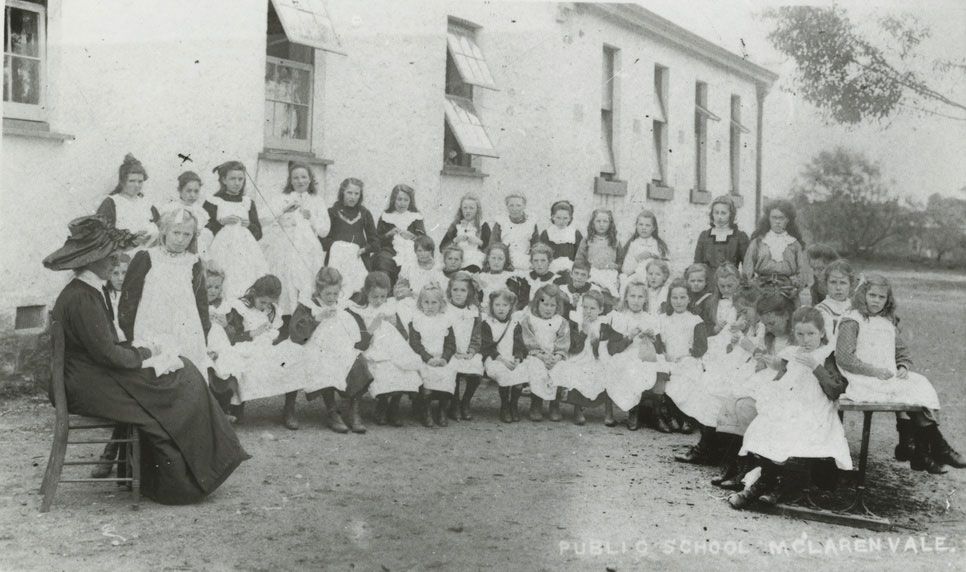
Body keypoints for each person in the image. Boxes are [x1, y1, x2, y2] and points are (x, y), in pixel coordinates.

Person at [43, 215, 248, 505]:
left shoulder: (86, 290)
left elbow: (104, 348)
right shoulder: (82, 297)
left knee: (182, 372)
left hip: (89, 374)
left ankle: (190, 469)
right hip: (87, 382)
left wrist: (140, 351)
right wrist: (146, 353)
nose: (114, 263)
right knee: (180, 380)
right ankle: (181, 480)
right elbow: (109, 354)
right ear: (91, 261)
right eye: (107, 258)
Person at [836, 274, 965, 473]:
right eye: (872, 295)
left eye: (881, 297)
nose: (876, 301)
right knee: (910, 392)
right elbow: (844, 358)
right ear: (863, 294)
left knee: (920, 384)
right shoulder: (852, 319)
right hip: (862, 378)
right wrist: (874, 371)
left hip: (886, 376)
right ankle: (932, 449)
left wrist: (903, 366)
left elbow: (901, 351)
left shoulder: (887, 321)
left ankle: (920, 449)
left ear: (888, 300)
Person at [729, 307, 852, 509]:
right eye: (800, 334)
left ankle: (768, 486)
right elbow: (783, 380)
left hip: (816, 409)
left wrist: (815, 367)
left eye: (811, 334)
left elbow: (835, 389)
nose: (806, 340)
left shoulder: (826, 355)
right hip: (791, 404)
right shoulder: (793, 353)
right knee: (768, 423)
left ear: (821, 333)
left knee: (789, 429)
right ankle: (767, 483)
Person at [207, 275, 308, 429]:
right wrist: (255, 332)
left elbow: (278, 333)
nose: (265, 306)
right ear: (254, 293)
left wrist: (273, 338)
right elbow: (233, 337)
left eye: (270, 303)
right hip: (245, 347)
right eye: (262, 302)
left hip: (266, 348)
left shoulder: (273, 311)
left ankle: (289, 408)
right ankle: (237, 405)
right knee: (238, 363)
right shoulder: (239, 307)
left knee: (294, 353)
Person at [119, 208, 210, 376]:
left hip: (186, 329)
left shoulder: (193, 262)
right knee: (155, 371)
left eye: (187, 235)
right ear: (164, 231)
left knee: (186, 372)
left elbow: (201, 303)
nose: (180, 239)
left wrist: (203, 334)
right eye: (176, 232)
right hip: (150, 328)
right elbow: (128, 299)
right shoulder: (146, 257)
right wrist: (131, 333)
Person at [288, 267, 374, 433]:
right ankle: (332, 411)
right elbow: (296, 334)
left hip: (342, 347)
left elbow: (357, 329)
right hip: (317, 348)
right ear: (318, 290)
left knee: (359, 363)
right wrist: (316, 319)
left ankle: (354, 411)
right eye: (328, 294)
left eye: (335, 294)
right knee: (325, 365)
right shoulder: (308, 305)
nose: (332, 298)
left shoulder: (342, 305)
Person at [260, 162, 330, 323]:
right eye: (296, 177)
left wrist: (310, 217)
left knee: (306, 280)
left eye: (304, 177)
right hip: (285, 246)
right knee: (286, 279)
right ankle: (283, 319)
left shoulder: (317, 200)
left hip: (308, 248)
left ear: (310, 179)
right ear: (290, 180)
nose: (300, 181)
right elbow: (263, 218)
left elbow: (324, 230)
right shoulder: (282, 198)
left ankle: (303, 319)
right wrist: (284, 211)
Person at [352, 272, 423, 427]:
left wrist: (395, 323)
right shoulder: (361, 310)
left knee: (404, 370)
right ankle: (382, 406)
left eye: (383, 297)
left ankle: (394, 408)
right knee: (384, 371)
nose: (379, 301)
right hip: (374, 350)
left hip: (395, 348)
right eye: (375, 297)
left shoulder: (390, 307)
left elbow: (404, 334)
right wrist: (373, 326)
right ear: (366, 293)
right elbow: (359, 340)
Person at [598, 279, 660, 429]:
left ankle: (633, 412)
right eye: (632, 296)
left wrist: (652, 339)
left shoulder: (649, 318)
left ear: (645, 300)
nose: (636, 301)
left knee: (638, 370)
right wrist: (630, 337)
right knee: (613, 365)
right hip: (620, 352)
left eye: (640, 297)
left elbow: (657, 348)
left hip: (640, 356)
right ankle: (609, 412)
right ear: (625, 297)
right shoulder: (618, 316)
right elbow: (613, 348)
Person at [202, 161, 268, 299]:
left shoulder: (247, 202)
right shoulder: (213, 201)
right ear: (223, 180)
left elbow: (258, 233)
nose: (237, 183)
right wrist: (221, 223)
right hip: (222, 251)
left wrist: (249, 225)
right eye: (232, 179)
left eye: (240, 179)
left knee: (246, 280)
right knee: (225, 283)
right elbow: (205, 231)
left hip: (246, 252)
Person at [659, 278, 709, 435]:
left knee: (689, 376)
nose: (678, 301)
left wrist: (687, 355)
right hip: (668, 357)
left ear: (689, 299)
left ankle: (688, 418)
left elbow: (701, 347)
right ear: (669, 299)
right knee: (667, 377)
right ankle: (672, 416)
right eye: (674, 298)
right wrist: (664, 353)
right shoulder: (663, 319)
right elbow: (658, 341)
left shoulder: (695, 320)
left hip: (688, 358)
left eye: (682, 298)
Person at [553, 290, 609, 425]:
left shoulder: (603, 325)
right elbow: (573, 347)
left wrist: (596, 341)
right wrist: (583, 332)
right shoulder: (575, 321)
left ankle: (583, 409)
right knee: (568, 370)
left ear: (600, 310)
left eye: (592, 308)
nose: (588, 311)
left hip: (594, 358)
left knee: (596, 373)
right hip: (577, 356)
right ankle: (564, 407)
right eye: (585, 307)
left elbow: (601, 351)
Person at [515, 284, 570, 422]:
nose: (548, 308)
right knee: (536, 368)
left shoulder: (561, 322)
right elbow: (528, 340)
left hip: (554, 356)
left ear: (557, 307)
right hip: (536, 355)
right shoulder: (529, 320)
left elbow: (563, 341)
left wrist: (557, 356)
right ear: (536, 303)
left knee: (561, 368)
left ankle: (554, 405)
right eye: (544, 304)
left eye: (552, 305)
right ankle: (536, 404)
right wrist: (541, 356)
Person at [743, 200, 811, 303]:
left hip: (787, 290)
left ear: (788, 220)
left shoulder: (795, 244)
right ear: (768, 219)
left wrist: (796, 288)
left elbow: (803, 272)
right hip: (761, 289)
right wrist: (753, 287)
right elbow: (747, 270)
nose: (777, 222)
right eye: (774, 217)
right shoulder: (758, 242)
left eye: (781, 218)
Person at [321, 177, 379, 299]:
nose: (353, 197)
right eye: (349, 193)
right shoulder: (332, 212)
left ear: (360, 195)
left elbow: (375, 242)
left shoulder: (364, 213)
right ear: (342, 192)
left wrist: (363, 250)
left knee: (359, 293)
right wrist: (339, 247)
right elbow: (323, 239)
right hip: (336, 259)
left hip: (359, 259)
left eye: (356, 193)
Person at [409, 284, 458, 427]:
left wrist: (444, 358)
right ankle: (426, 412)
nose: (430, 306)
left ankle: (443, 410)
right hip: (424, 357)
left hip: (441, 358)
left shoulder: (445, 321)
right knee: (426, 378)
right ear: (420, 303)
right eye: (426, 302)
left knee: (448, 374)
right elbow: (415, 344)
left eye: (434, 302)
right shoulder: (417, 321)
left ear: (441, 303)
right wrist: (428, 358)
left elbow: (451, 344)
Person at [96, 153, 158, 250]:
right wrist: (131, 240)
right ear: (122, 181)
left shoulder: (147, 204)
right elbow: (101, 237)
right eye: (132, 181)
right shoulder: (111, 203)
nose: (137, 185)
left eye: (140, 181)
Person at [481, 289, 526, 422]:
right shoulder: (487, 324)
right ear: (492, 306)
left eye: (505, 305)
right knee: (503, 373)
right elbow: (487, 346)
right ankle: (505, 406)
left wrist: (517, 358)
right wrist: (502, 360)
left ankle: (514, 405)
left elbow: (519, 345)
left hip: (512, 357)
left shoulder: (515, 324)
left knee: (520, 373)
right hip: (495, 358)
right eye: (497, 305)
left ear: (511, 307)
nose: (501, 309)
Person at [445, 272, 484, 420]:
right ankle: (454, 403)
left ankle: (465, 402)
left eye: (463, 290)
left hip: (468, 351)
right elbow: (443, 333)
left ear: (469, 292)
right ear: (450, 291)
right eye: (455, 290)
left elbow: (477, 335)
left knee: (476, 370)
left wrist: (472, 351)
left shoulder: (473, 310)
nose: (459, 294)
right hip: (451, 352)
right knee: (452, 369)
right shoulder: (445, 308)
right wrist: (452, 352)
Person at [372, 184, 426, 282]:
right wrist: (389, 234)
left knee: (415, 261)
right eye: (399, 199)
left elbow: (425, 241)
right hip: (390, 251)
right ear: (393, 200)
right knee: (383, 260)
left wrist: (412, 236)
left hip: (411, 251)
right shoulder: (386, 216)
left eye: (406, 200)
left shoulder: (416, 217)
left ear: (410, 202)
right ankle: (385, 290)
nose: (402, 203)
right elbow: (376, 240)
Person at [154, 171, 212, 257]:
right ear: (180, 190)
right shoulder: (170, 208)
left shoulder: (201, 212)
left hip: (195, 247)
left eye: (196, 191)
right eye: (188, 191)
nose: (192, 195)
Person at [693, 195, 749, 273]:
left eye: (723, 213)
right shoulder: (704, 236)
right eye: (716, 213)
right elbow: (697, 265)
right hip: (708, 283)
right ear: (712, 214)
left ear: (731, 214)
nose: (719, 216)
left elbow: (747, 268)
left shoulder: (740, 237)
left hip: (730, 283)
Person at [575, 208, 622, 295]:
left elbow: (620, 263)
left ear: (610, 224)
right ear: (593, 223)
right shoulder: (587, 240)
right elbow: (579, 260)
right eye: (598, 221)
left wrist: (615, 266)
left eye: (605, 221)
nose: (601, 224)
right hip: (592, 274)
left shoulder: (615, 241)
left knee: (610, 293)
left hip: (609, 275)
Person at [440, 193, 490, 272]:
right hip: (457, 258)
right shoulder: (456, 225)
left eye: (471, 208)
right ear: (461, 209)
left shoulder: (483, 225)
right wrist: (455, 240)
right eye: (465, 208)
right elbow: (442, 248)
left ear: (477, 210)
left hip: (475, 259)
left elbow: (491, 248)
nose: (468, 211)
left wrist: (479, 242)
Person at [621, 210, 670, 291]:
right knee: (626, 284)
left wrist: (653, 256)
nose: (643, 228)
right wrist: (637, 259)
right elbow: (626, 270)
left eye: (647, 225)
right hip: (638, 278)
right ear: (636, 226)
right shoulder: (633, 244)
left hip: (655, 279)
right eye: (640, 224)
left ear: (653, 228)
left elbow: (667, 265)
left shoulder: (658, 245)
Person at [490, 194, 538, 273]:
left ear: (524, 206)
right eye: (511, 205)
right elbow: (493, 245)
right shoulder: (500, 222)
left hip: (525, 261)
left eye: (518, 205)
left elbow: (536, 246)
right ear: (507, 207)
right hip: (505, 262)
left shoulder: (531, 223)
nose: (514, 209)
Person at [476, 242, 527, 313]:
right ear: (488, 259)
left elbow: (514, 300)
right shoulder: (482, 276)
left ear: (506, 260)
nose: (496, 262)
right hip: (486, 311)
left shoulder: (510, 277)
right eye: (493, 258)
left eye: (500, 259)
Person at [815, 259, 855, 344]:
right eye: (833, 282)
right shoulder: (821, 309)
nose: (838, 288)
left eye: (843, 283)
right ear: (826, 284)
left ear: (850, 285)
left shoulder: (854, 306)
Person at [536, 200, 582, 274]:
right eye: (558, 218)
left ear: (570, 218)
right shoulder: (547, 233)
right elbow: (542, 255)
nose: (561, 221)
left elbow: (580, 255)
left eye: (565, 218)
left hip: (570, 270)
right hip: (551, 270)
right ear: (553, 217)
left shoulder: (575, 233)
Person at [520, 242, 557, 308]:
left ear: (549, 261)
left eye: (543, 260)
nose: (539, 264)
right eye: (536, 260)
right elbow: (522, 303)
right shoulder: (526, 279)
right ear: (531, 262)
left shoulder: (555, 279)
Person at [105, 253, 130, 342]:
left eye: (124, 273)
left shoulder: (134, 295)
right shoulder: (105, 297)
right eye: (115, 273)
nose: (121, 278)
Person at [684, 263, 716, 328]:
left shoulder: (709, 299)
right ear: (687, 281)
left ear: (706, 282)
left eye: (700, 281)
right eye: (692, 281)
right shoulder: (685, 295)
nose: (696, 284)